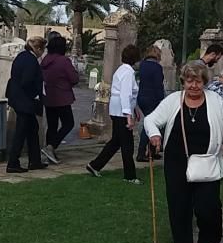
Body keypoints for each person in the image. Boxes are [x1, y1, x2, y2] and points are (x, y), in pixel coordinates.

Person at [144, 61, 223, 243]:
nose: (193, 85)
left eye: (198, 81)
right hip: (177, 163)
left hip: (207, 162)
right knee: (179, 210)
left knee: (209, 210)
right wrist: (154, 134)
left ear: (204, 82)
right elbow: (150, 120)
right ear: (183, 81)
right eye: (189, 81)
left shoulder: (215, 100)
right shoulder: (173, 100)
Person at [87, 45, 141, 183]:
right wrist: (129, 116)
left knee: (116, 142)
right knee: (127, 144)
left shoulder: (121, 70)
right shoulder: (128, 73)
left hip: (116, 109)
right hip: (121, 111)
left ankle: (95, 165)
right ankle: (130, 175)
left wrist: (135, 109)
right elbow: (126, 95)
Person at [5, 36, 48, 174]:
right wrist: (35, 95)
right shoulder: (31, 61)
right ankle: (13, 162)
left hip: (17, 98)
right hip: (24, 100)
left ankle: (34, 160)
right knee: (21, 131)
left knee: (32, 128)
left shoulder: (21, 56)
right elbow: (27, 81)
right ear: (39, 49)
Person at [41, 36, 78, 164]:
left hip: (49, 96)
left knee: (52, 125)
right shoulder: (63, 61)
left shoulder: (45, 60)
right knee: (68, 123)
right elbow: (74, 78)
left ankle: (49, 153)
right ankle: (51, 147)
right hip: (62, 97)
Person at [135, 45, 165, 162]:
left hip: (142, 97)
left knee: (150, 122)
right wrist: (161, 100)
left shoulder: (142, 65)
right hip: (152, 98)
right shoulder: (156, 67)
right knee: (151, 124)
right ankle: (143, 152)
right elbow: (158, 85)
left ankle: (151, 151)